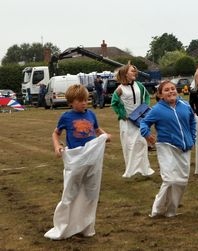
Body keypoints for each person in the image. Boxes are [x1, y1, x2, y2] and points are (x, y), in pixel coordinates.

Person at [45, 84, 111, 240]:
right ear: (71, 102)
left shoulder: (91, 115)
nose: (84, 103)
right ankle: (62, 226)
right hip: (76, 158)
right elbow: (56, 134)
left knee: (91, 192)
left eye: (86, 100)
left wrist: (105, 136)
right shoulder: (66, 117)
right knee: (70, 192)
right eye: (80, 100)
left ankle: (86, 226)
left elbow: (97, 130)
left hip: (92, 158)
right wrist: (57, 146)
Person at [140, 81, 196, 217]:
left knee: (181, 181)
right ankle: (157, 209)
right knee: (170, 179)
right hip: (166, 147)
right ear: (160, 95)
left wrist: (192, 138)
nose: (171, 91)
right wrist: (147, 135)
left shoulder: (185, 105)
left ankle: (171, 211)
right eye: (166, 90)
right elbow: (144, 123)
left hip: (184, 148)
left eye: (172, 89)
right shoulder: (157, 110)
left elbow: (192, 121)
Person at [111, 62, 154, 178]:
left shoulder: (139, 85)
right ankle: (131, 171)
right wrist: (122, 114)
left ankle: (145, 170)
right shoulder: (120, 89)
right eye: (132, 70)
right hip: (126, 123)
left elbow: (146, 97)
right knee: (129, 145)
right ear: (125, 74)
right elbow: (114, 103)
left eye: (135, 70)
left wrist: (144, 108)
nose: (135, 72)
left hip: (139, 121)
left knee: (142, 143)